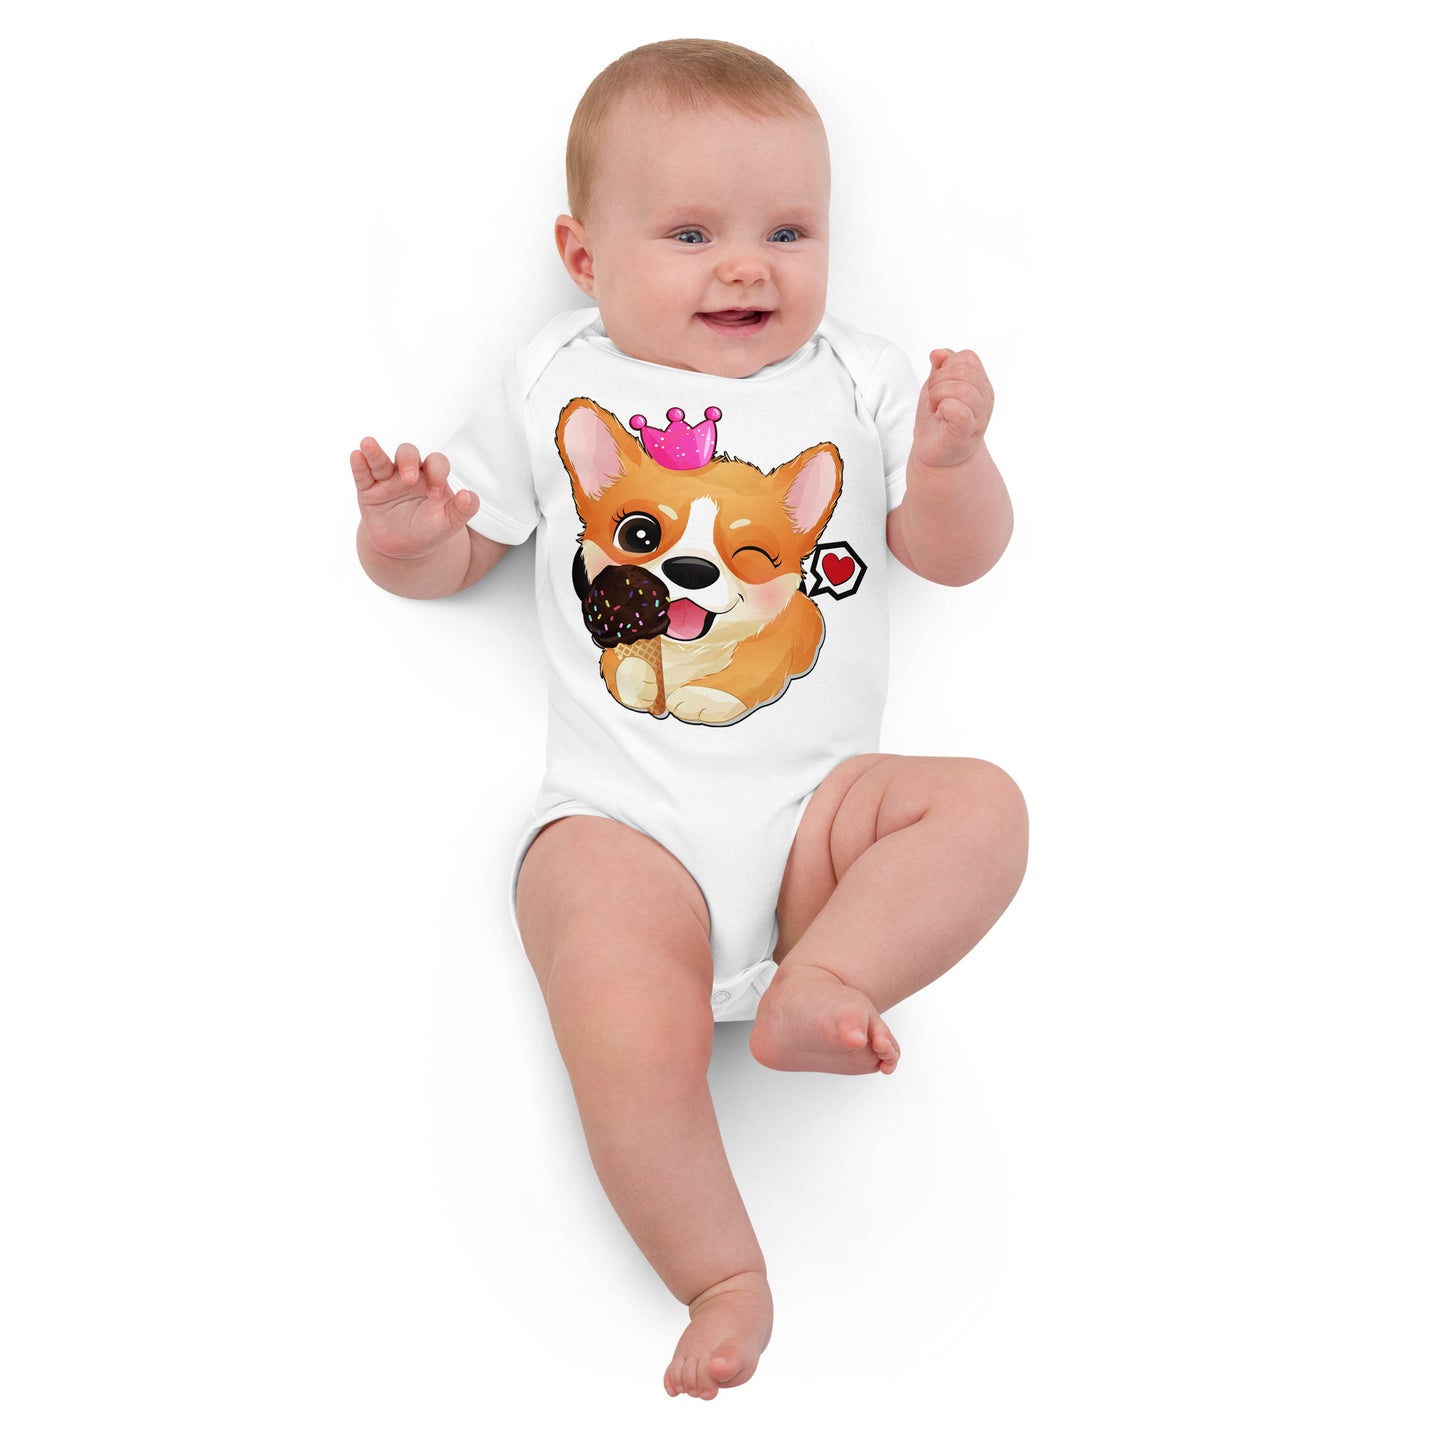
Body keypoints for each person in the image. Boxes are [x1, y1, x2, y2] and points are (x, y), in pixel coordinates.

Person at [350, 38, 1028, 1401]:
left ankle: (826, 978)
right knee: (618, 1019)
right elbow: (460, 556)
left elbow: (954, 558)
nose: (745, 268)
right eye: (691, 234)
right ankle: (720, 1270)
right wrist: (409, 536)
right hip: (627, 824)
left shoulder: (861, 377)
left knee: (981, 808)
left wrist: (954, 462)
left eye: (787, 231)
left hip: (818, 830)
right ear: (583, 256)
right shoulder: (556, 378)